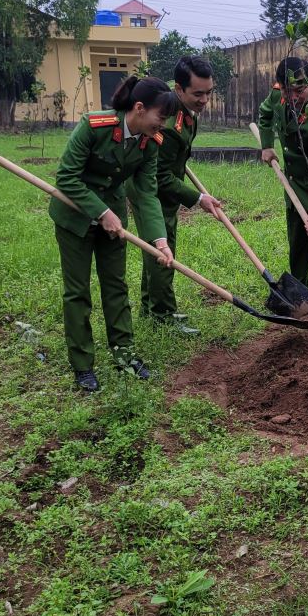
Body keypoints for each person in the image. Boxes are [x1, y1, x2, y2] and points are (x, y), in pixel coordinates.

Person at [50, 74, 177, 392]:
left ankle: (124, 356)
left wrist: (159, 240)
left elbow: (147, 193)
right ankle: (82, 366)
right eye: (161, 117)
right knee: (77, 293)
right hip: (74, 218)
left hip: (114, 220)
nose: (162, 125)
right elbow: (66, 177)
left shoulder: (151, 142)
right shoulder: (96, 125)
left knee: (116, 287)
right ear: (139, 108)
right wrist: (100, 212)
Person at [128, 56, 223, 334]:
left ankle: (150, 307)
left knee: (156, 246)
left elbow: (172, 163)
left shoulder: (185, 113)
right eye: (197, 94)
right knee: (162, 250)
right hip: (151, 192)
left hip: (163, 187)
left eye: (208, 92)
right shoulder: (168, 125)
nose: (204, 99)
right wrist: (197, 198)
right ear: (178, 90)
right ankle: (162, 315)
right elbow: (159, 177)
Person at [257, 56, 308, 311]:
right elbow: (265, 113)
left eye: (300, 89)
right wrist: (267, 144)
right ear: (279, 86)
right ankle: (301, 297)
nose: (294, 97)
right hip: (293, 187)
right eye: (288, 90)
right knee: (298, 248)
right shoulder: (277, 98)